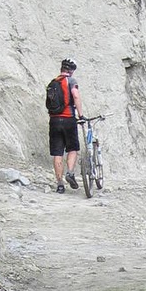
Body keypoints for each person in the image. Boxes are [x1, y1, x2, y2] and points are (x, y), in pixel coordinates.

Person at [48, 56, 85, 193]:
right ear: (72, 71)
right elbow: (75, 95)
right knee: (72, 149)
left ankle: (59, 184)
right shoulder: (71, 81)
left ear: (61, 69)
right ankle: (70, 173)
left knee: (57, 152)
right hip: (69, 119)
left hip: (54, 120)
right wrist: (80, 115)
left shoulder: (53, 82)